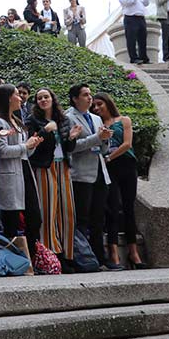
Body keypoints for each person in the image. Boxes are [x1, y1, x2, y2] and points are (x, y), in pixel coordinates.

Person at [26, 88, 81, 270]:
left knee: (67, 211)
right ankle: (51, 254)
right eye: (39, 98)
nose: (43, 100)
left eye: (46, 97)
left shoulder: (63, 120)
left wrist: (72, 138)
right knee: (48, 211)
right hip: (44, 166)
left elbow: (67, 147)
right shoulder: (32, 120)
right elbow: (32, 144)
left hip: (62, 165)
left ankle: (67, 253)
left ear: (52, 99)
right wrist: (45, 130)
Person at [92, 92, 146, 270]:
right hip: (109, 169)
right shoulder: (97, 124)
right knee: (112, 208)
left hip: (126, 165)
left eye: (100, 104)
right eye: (95, 105)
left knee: (129, 208)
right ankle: (113, 252)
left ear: (108, 103)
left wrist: (109, 157)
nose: (97, 108)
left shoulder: (124, 120)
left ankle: (133, 251)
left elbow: (127, 144)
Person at [65, 83, 117, 269]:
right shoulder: (68, 118)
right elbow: (72, 147)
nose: (89, 98)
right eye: (85, 94)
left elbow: (102, 146)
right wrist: (96, 138)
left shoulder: (96, 118)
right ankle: (83, 259)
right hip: (81, 174)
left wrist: (105, 139)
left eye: (90, 94)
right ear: (75, 98)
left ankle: (100, 259)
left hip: (100, 171)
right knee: (82, 218)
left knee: (99, 218)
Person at [0, 84, 43, 261]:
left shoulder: (17, 122)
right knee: (11, 220)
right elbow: (3, 151)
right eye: (16, 95)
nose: (20, 98)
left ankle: (32, 257)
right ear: (8, 98)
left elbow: (24, 151)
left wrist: (32, 146)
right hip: (10, 174)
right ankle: (14, 260)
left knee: (35, 216)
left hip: (24, 170)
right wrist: (25, 146)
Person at [119, 0, 150, 64]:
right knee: (131, 39)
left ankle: (144, 57)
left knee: (142, 39)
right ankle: (134, 58)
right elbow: (127, 2)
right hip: (130, 18)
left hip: (141, 18)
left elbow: (146, 3)